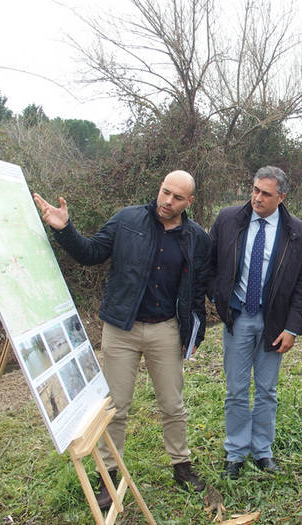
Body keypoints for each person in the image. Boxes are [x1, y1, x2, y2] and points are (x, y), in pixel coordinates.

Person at [33, 170, 211, 510]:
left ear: (189, 202)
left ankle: (182, 466)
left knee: (173, 405)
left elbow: (198, 287)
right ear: (159, 188)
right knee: (115, 408)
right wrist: (64, 230)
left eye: (177, 197)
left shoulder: (196, 237)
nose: (167, 201)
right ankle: (108, 475)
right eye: (165, 192)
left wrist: (195, 330)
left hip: (165, 330)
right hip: (121, 329)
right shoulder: (128, 219)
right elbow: (91, 252)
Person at [208, 166, 302, 480]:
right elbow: (209, 263)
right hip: (238, 318)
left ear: (281, 197)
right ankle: (236, 452)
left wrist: (293, 328)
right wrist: (219, 297)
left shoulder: (299, 233)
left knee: (267, 391)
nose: (257, 197)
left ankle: (263, 452)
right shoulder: (228, 220)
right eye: (255, 190)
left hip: (274, 323)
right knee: (236, 390)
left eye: (266, 193)